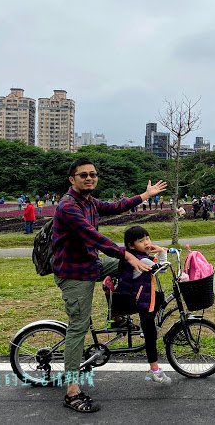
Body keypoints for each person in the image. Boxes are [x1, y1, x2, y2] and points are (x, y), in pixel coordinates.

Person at [52, 157, 166, 413]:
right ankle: (71, 391)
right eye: (83, 175)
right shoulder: (68, 206)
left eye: (93, 174)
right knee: (78, 327)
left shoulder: (90, 202)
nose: (89, 178)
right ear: (73, 179)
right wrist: (126, 254)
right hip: (73, 273)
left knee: (136, 267)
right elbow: (93, 236)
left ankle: (117, 315)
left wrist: (144, 195)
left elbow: (116, 206)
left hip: (91, 264)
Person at [116, 226, 172, 385]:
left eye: (148, 238)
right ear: (131, 246)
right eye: (141, 241)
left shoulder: (137, 256)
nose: (147, 242)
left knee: (159, 298)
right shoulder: (142, 259)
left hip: (142, 297)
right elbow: (162, 269)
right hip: (141, 301)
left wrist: (158, 251)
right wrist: (161, 251)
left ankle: (145, 328)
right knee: (150, 334)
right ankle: (155, 370)